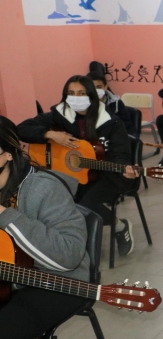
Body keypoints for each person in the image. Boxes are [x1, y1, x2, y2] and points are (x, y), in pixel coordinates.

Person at [0, 115, 89, 339]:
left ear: (6, 153)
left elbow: (69, 256)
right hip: (7, 280)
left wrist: (5, 215)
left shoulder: (42, 188)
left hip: (57, 281)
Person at [18, 75, 138, 257]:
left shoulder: (111, 123)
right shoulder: (58, 116)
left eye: (81, 93)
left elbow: (120, 154)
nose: (76, 97)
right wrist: (50, 134)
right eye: (71, 93)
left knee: (84, 206)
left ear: (91, 95)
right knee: (49, 199)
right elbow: (21, 129)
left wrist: (125, 169)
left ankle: (119, 226)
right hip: (69, 174)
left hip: (106, 175)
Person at [87, 71, 136, 137]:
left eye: (99, 87)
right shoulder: (82, 105)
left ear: (105, 87)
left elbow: (127, 127)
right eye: (92, 88)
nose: (95, 90)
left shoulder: (116, 104)